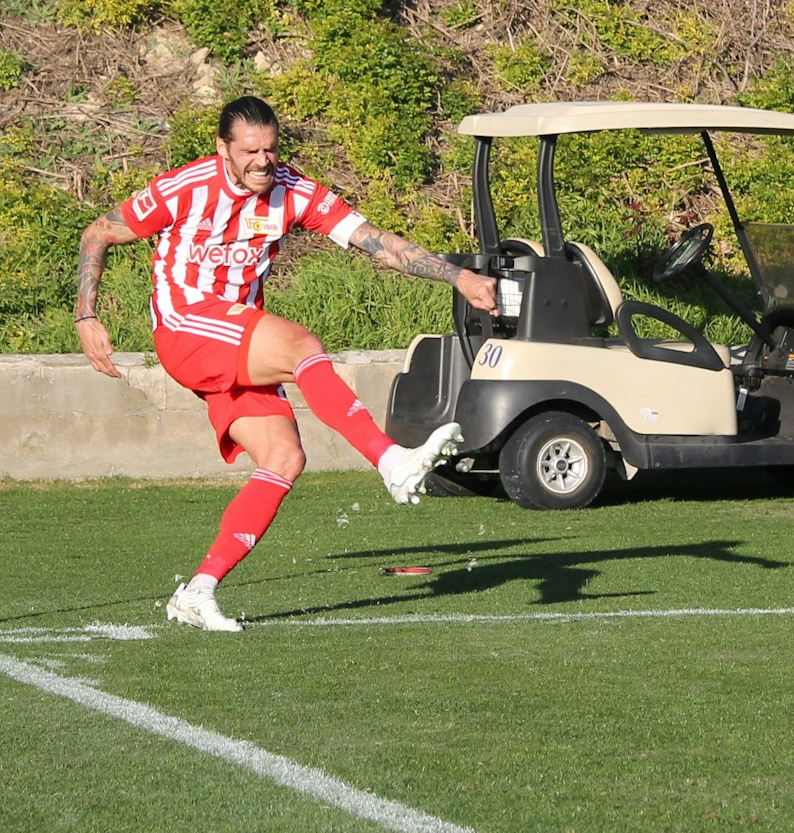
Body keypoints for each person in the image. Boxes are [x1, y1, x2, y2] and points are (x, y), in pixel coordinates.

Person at [75, 95, 495, 632]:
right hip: (187, 327)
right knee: (300, 345)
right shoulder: (185, 187)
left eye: (270, 150)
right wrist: (87, 316)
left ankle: (198, 591)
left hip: (236, 337)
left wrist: (456, 276)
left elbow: (376, 244)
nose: (262, 162)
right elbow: (98, 233)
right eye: (250, 151)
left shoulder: (294, 191)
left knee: (284, 456)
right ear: (222, 148)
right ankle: (391, 461)